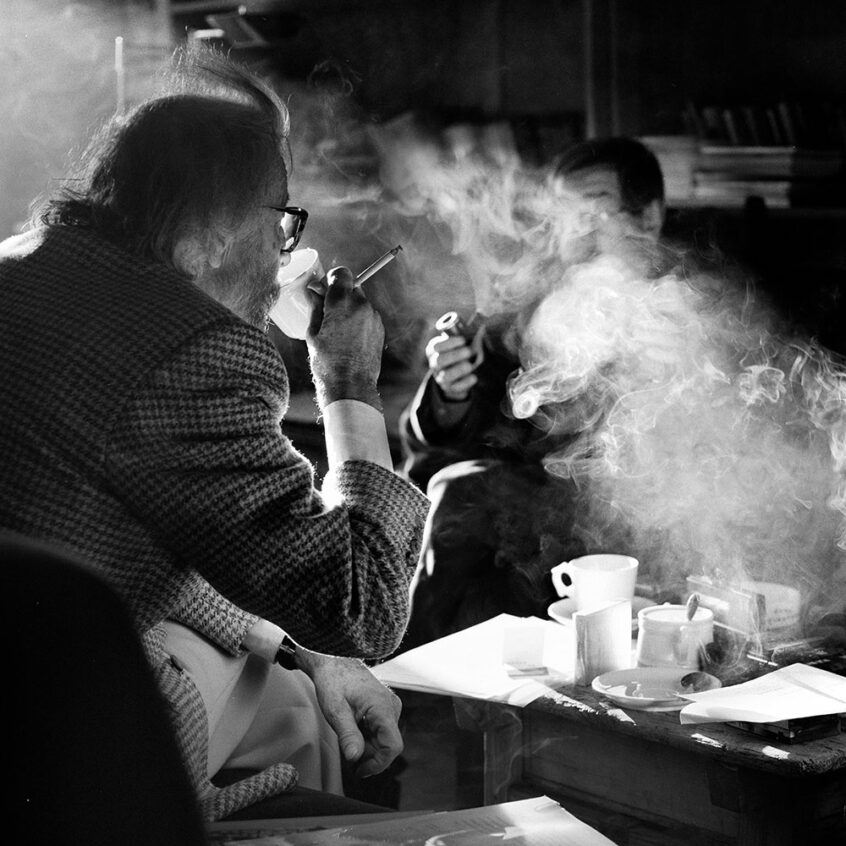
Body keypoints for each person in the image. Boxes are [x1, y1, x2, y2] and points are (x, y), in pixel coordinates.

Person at [0, 46, 430, 822]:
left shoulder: (19, 264)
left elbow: (146, 523)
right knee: (310, 715)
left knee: (303, 691)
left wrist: (311, 651)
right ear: (218, 224)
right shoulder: (194, 348)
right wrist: (348, 385)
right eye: (284, 222)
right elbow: (358, 604)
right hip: (56, 727)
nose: (285, 255)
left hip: (27, 649)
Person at [397, 137, 667, 649]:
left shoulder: (689, 311)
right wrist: (451, 390)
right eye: (566, 214)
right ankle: (432, 698)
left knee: (465, 496)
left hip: (637, 523)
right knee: (467, 529)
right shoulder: (528, 315)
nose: (579, 232)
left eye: (595, 210)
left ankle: (406, 688)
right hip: (532, 523)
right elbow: (454, 437)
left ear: (648, 216)